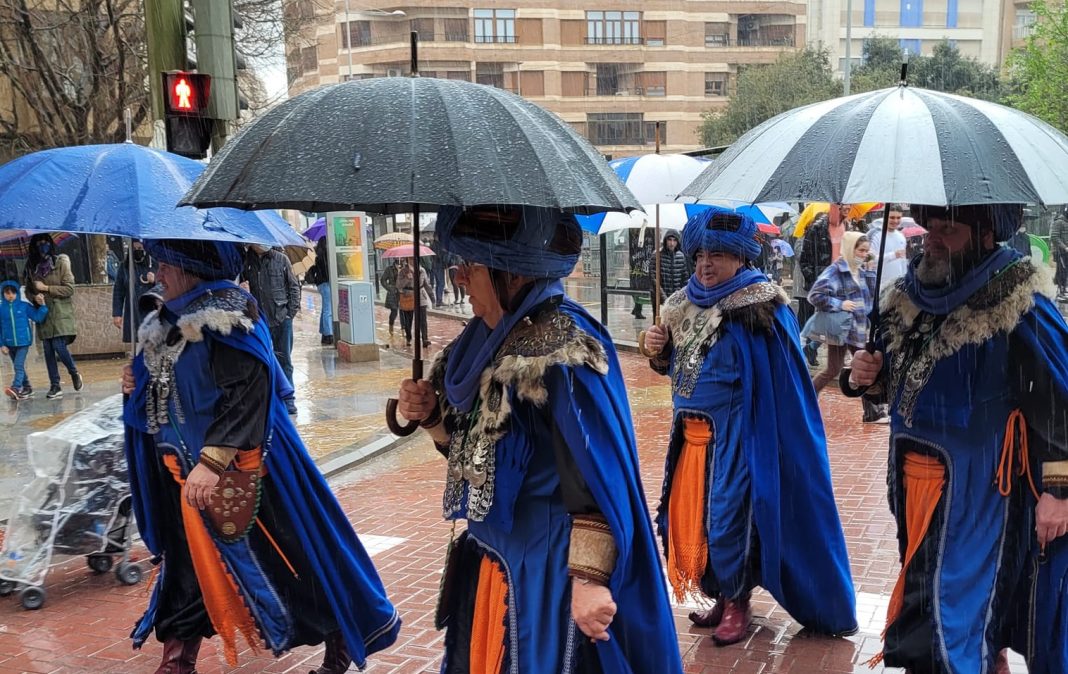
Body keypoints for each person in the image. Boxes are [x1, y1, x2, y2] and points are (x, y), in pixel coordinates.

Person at [395, 205, 683, 673]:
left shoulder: (563, 344)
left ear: (512, 272)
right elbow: (477, 456)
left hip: (546, 570)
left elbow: (593, 472)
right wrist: (431, 418)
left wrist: (588, 580)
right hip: (493, 559)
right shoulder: (480, 342)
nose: (460, 278)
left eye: (472, 265)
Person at [121, 239, 400, 674]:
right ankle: (176, 660)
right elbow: (160, 398)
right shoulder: (162, 321)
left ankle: (340, 635)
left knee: (290, 566)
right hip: (180, 477)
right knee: (185, 570)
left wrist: (213, 461)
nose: (158, 274)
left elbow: (250, 391)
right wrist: (135, 383)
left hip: (248, 474)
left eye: (165, 265)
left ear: (190, 266)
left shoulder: (230, 315)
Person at [843, 204, 1068, 674]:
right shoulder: (908, 296)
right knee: (932, 589)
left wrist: (1059, 489)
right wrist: (867, 376)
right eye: (931, 228)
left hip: (980, 490)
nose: (933, 240)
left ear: (985, 235)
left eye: (949, 230)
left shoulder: (1017, 297)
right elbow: (897, 378)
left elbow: (1057, 398)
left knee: (947, 607)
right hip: (912, 485)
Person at [643, 207, 857, 646]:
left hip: (740, 437)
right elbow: (675, 367)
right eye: (701, 254)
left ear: (740, 257)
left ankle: (738, 602)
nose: (706, 264)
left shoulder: (760, 307)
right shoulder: (681, 303)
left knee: (729, 523)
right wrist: (657, 349)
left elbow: (783, 384)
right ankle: (721, 595)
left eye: (718, 255)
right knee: (696, 521)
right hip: (691, 439)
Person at [804, 232, 887, 423]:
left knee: (836, 369)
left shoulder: (861, 270)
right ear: (850, 249)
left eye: (866, 251)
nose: (863, 255)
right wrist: (840, 304)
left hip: (858, 329)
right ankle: (872, 412)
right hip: (842, 329)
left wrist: (871, 270)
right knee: (862, 367)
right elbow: (815, 295)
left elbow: (872, 296)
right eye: (860, 250)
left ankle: (806, 399)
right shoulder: (836, 271)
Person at [242, 244, 300, 415]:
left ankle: (288, 399)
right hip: (258, 321)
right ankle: (268, 399)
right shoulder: (245, 262)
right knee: (261, 362)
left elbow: (293, 287)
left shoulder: (281, 259)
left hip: (281, 319)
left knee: (284, 361)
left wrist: (290, 314)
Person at [24, 233, 81, 399]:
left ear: (51, 243)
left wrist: (47, 288)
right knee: (48, 350)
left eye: (45, 242)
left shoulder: (61, 262)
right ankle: (55, 385)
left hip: (60, 312)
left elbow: (70, 289)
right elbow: (28, 290)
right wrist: (34, 297)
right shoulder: (30, 267)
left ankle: (74, 372)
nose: (43, 246)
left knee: (59, 346)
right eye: (39, 243)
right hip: (43, 313)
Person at [799, 203, 850, 365]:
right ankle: (816, 349)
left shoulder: (847, 226)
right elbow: (805, 259)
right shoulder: (817, 228)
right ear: (834, 206)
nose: (848, 208)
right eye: (843, 205)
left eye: (849, 204)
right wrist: (815, 281)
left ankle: (813, 347)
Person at [0, 280, 47, 400]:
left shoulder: (24, 306)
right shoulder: (1, 309)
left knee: (18, 365)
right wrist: (2, 344)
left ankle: (15, 388)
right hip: (9, 343)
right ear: (3, 294)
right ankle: (27, 387)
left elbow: (37, 317)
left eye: (13, 293)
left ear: (17, 293)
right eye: (7, 293)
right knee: (18, 366)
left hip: (23, 343)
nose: (10, 295)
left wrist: (43, 306)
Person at [112, 239, 158, 344]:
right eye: (134, 248)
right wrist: (117, 314)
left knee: (152, 341)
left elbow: (165, 287)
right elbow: (118, 291)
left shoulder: (155, 265)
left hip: (151, 311)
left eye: (140, 248)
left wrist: (155, 281)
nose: (137, 251)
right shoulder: (125, 267)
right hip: (132, 311)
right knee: (137, 341)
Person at [867, 205, 909, 291]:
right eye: (892, 217)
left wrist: (905, 280)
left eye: (898, 218)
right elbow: (869, 261)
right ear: (885, 216)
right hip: (879, 287)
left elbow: (902, 262)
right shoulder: (874, 234)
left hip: (897, 287)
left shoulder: (901, 236)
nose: (895, 221)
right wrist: (893, 255)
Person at [396, 257, 432, 349]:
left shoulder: (422, 270)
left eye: (414, 258)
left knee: (423, 320)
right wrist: (407, 279)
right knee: (408, 321)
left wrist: (432, 296)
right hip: (408, 297)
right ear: (407, 260)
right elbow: (398, 285)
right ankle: (408, 337)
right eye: (411, 259)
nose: (413, 260)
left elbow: (426, 284)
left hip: (421, 297)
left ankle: (425, 339)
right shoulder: (403, 271)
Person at [306, 235, 334, 346]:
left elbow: (311, 270)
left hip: (320, 284)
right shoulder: (328, 255)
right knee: (328, 310)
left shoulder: (315, 255)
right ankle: (328, 335)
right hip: (327, 283)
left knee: (325, 309)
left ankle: (324, 333)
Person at [629, 228, 654, 319]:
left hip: (640, 263)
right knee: (641, 285)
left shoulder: (634, 233)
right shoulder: (649, 233)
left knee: (639, 285)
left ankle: (637, 309)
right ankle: (637, 309)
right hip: (641, 263)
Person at [659, 229, 688, 300]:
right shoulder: (657, 255)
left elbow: (685, 279)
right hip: (660, 299)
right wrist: (664, 298)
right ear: (665, 240)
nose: (672, 243)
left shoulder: (681, 256)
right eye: (669, 240)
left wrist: (680, 296)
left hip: (676, 299)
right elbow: (655, 281)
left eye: (674, 240)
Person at [380, 258, 402, 336]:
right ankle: (391, 325)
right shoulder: (389, 269)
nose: (398, 265)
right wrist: (389, 288)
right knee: (394, 311)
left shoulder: (405, 269)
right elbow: (383, 280)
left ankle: (404, 329)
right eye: (397, 263)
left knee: (403, 312)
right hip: (393, 293)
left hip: (402, 293)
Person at [1052, 206, 1068, 300]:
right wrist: (1065, 247)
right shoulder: (1059, 222)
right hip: (1060, 252)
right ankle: (1060, 290)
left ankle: (1062, 289)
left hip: (1066, 253)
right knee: (1062, 271)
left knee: (1064, 272)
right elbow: (1054, 237)